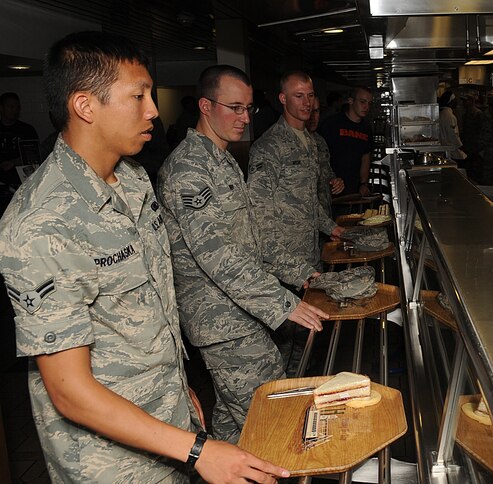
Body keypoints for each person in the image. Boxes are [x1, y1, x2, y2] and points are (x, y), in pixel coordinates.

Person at [0, 31, 289, 483]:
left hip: (165, 421)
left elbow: (148, 302)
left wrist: (176, 384)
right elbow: (69, 391)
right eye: (138, 96)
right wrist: (198, 451)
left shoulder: (133, 180)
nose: (154, 109)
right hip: (110, 461)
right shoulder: (43, 221)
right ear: (85, 106)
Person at [157, 65, 329, 444]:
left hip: (241, 310)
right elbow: (217, 255)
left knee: (235, 422)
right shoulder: (189, 168)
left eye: (248, 108)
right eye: (234, 107)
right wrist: (283, 303)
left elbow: (254, 240)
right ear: (205, 105)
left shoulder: (222, 160)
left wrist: (301, 272)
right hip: (220, 319)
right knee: (279, 418)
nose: (244, 118)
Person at [248, 71, 344, 278]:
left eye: (310, 95)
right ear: (283, 99)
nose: (307, 102)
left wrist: (332, 228)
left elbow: (308, 199)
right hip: (285, 264)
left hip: (311, 254)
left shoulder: (309, 141)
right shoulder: (269, 146)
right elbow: (259, 212)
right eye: (298, 96)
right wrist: (290, 267)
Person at [318, 86, 373, 195]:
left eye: (369, 103)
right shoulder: (332, 124)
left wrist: (363, 184)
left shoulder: (366, 128)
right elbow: (318, 155)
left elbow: (365, 158)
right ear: (350, 101)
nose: (366, 107)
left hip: (353, 190)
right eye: (362, 102)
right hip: (331, 188)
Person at [308, 96, 345, 217]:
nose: (313, 117)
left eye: (317, 111)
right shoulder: (288, 142)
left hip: (325, 216)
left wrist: (335, 181)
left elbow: (327, 172)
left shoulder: (320, 141)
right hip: (301, 224)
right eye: (309, 111)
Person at [0, 92, 39, 186]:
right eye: (11, 107)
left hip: (21, 182)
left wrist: (13, 162)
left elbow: (34, 157)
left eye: (17, 107)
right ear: (1, 108)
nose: (15, 110)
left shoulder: (27, 130)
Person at [438, 90, 467, 164]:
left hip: (446, 148)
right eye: (455, 100)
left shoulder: (443, 113)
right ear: (450, 102)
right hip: (451, 150)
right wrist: (461, 146)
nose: (456, 102)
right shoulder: (449, 116)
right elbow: (453, 135)